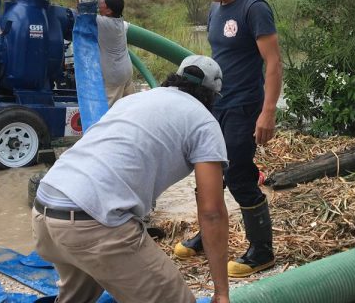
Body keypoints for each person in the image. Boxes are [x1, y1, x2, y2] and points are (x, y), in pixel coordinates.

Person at [32, 55, 231, 303]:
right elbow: (212, 212)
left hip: (45, 211)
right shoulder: (204, 122)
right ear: (213, 96)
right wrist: (222, 292)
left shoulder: (136, 99)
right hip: (93, 223)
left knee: (77, 297)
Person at [174, 0, 282, 278]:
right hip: (216, 104)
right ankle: (209, 235)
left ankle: (262, 251)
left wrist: (268, 112)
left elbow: (274, 62)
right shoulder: (215, 9)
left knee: (237, 174)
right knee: (207, 171)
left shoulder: (254, 8)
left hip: (244, 106)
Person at [97, 0, 134, 106]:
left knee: (109, 114)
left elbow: (83, 15)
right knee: (129, 108)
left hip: (114, 77)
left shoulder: (104, 23)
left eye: (104, 4)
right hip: (126, 72)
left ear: (109, 11)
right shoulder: (120, 22)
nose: (100, 4)